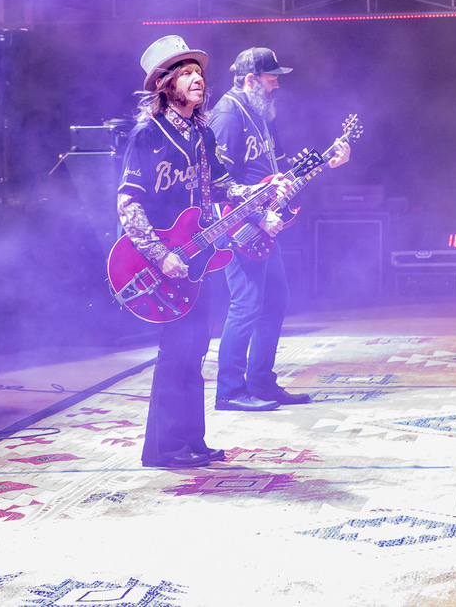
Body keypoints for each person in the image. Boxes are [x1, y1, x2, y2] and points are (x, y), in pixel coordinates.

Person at [117, 35, 290, 468]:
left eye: (199, 73)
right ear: (165, 84)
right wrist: (160, 256)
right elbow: (128, 203)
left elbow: (222, 186)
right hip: (163, 259)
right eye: (186, 73)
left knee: (194, 350)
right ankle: (162, 448)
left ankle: (191, 440)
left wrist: (262, 191)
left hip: (196, 256)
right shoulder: (146, 135)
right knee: (174, 353)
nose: (198, 79)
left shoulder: (201, 132)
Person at [208, 47, 350, 412]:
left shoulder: (261, 113)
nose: (276, 84)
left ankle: (260, 382)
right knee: (247, 304)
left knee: (274, 302)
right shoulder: (228, 114)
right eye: (271, 77)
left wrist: (328, 159)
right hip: (240, 226)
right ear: (251, 80)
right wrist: (256, 219)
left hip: (264, 224)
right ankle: (229, 391)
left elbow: (282, 170)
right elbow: (217, 182)